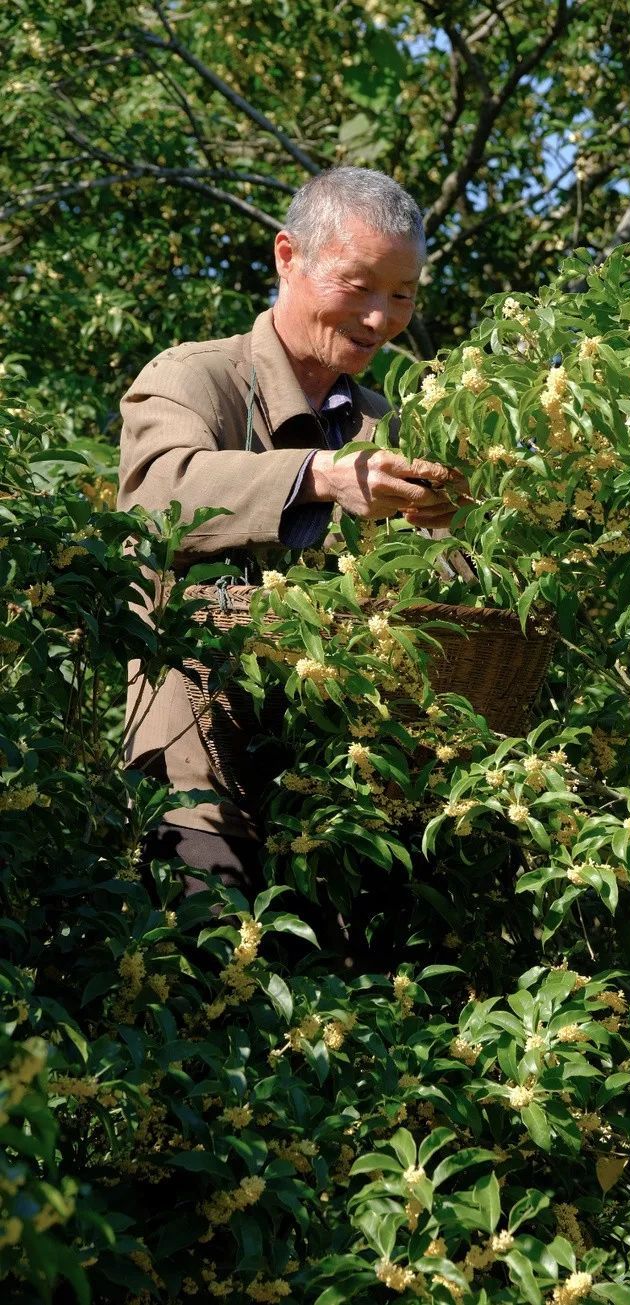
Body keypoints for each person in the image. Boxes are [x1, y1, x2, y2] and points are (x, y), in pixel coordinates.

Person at [118, 166, 461, 908]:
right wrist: (318, 475)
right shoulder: (193, 379)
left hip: (354, 803)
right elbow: (156, 498)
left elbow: (450, 605)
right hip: (200, 784)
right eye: (359, 285)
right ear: (287, 257)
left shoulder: (389, 423)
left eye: (401, 295)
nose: (380, 318)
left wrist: (452, 527)